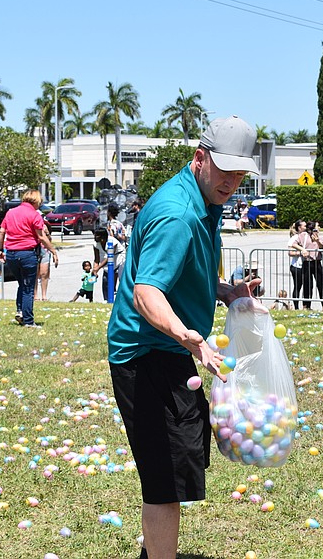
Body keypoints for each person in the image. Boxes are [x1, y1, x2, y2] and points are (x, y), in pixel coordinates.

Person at [107, 115, 261, 559]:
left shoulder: (205, 199)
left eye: (240, 173)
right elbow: (146, 292)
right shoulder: (178, 214)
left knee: (184, 457)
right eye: (225, 170)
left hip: (169, 347)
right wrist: (190, 338)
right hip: (146, 353)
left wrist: (225, 291)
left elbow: (184, 273)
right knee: (165, 480)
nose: (232, 181)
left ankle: (154, 549)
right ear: (200, 158)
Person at [0, 189, 59, 327]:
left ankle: (20, 311)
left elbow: (1, 232)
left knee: (22, 284)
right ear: (36, 201)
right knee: (28, 288)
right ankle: (29, 321)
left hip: (11, 254)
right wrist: (53, 250)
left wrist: (0, 249)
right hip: (27, 254)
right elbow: (41, 236)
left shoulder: (11, 212)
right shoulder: (34, 215)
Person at [93, 228, 126, 302]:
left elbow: (109, 257)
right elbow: (96, 259)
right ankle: (107, 299)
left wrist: (98, 268)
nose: (94, 237)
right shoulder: (95, 244)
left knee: (122, 278)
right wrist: (94, 269)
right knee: (105, 280)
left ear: (103, 237)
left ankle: (123, 299)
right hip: (107, 264)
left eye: (96, 235)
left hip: (119, 259)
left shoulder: (112, 242)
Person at [288, 219, 313, 309]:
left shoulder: (306, 236)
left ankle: (306, 306)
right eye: (304, 226)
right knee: (298, 286)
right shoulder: (295, 238)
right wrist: (301, 252)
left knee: (308, 286)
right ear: (299, 228)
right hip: (296, 266)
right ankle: (296, 307)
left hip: (306, 265)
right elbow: (290, 253)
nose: (306, 228)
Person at [308, 221, 323, 309]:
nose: (319, 228)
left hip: (317, 262)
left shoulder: (320, 237)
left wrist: (317, 240)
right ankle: (307, 305)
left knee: (320, 284)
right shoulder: (305, 237)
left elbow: (321, 247)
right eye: (317, 227)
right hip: (307, 262)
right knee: (309, 285)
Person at [35, 218, 53, 301]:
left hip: (45, 251)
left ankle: (44, 295)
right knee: (35, 273)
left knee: (44, 273)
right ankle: (35, 295)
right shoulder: (33, 226)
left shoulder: (45, 226)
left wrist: (47, 233)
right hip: (35, 250)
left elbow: (49, 240)